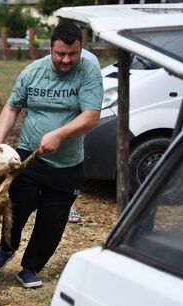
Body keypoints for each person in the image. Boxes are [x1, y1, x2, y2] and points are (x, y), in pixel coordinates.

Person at [0, 22, 103, 288]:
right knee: (16, 206)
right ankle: (6, 248)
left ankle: (30, 268)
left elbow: (91, 116)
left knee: (53, 220)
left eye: (72, 54)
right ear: (50, 47)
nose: (66, 60)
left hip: (68, 162)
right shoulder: (33, 71)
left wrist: (59, 134)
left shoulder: (88, 73)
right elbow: (12, 108)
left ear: (80, 50)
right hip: (29, 155)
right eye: (60, 53)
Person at [68, 48, 102, 224]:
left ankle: (72, 205)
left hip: (79, 115)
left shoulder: (90, 59)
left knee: (75, 158)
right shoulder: (52, 55)